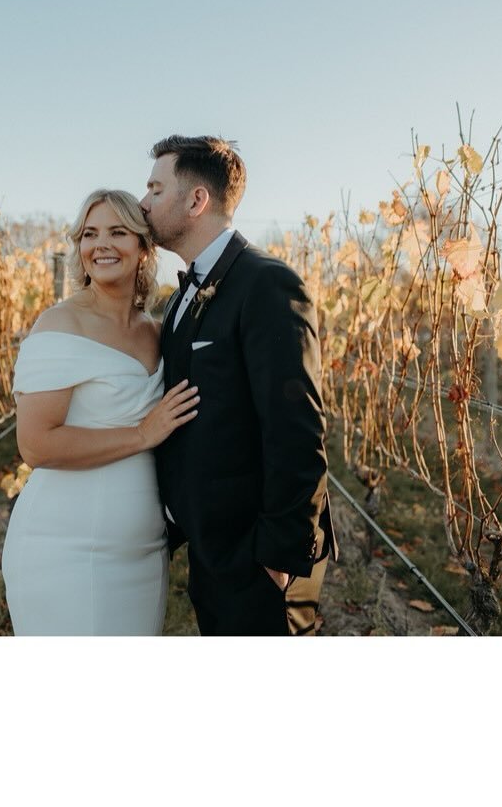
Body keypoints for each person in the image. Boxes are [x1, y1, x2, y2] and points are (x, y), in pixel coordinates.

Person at [139, 135, 338, 636]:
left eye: (155, 189)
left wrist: (277, 560)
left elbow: (297, 428)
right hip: (213, 547)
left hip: (258, 558)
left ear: (196, 200)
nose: (143, 203)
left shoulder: (267, 284)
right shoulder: (179, 298)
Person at [0, 189, 199, 635]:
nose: (100, 244)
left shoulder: (156, 331)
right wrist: (142, 434)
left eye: (118, 232)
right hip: (63, 549)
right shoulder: (60, 325)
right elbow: (36, 444)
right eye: (89, 234)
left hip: (144, 552)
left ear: (144, 247)